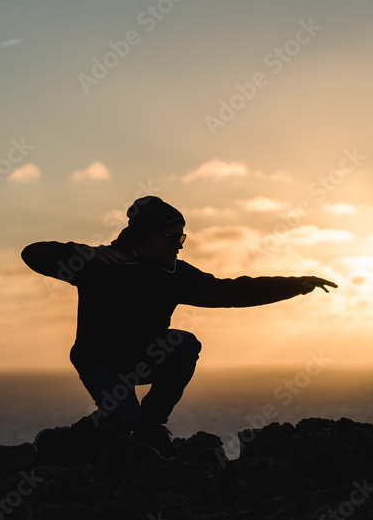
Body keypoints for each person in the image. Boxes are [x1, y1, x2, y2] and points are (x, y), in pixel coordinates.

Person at [21, 196, 336, 461]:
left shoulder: (175, 274)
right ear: (146, 236)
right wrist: (85, 251)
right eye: (172, 237)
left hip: (139, 359)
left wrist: (298, 284)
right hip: (99, 362)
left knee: (184, 345)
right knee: (123, 418)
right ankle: (54, 442)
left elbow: (231, 292)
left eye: (182, 237)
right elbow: (32, 254)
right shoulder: (100, 266)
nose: (179, 245)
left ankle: (150, 430)